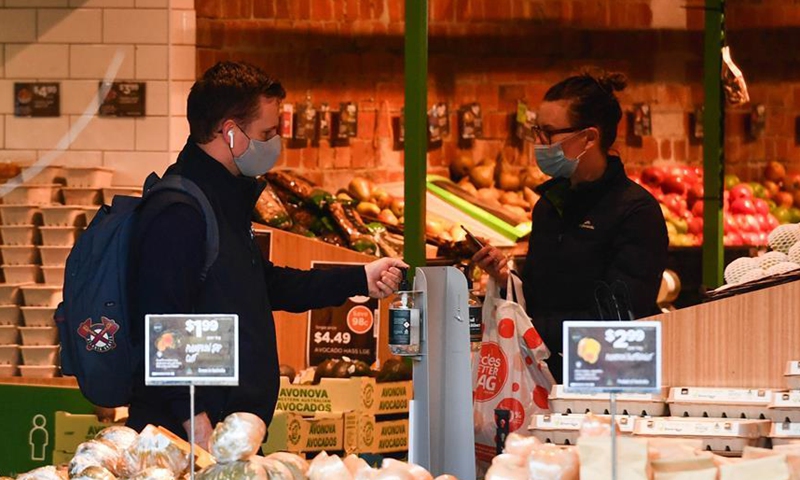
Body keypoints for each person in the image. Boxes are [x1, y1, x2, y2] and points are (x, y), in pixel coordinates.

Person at [126, 61, 407, 446]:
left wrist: (359, 279)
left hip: (226, 430)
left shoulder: (222, 199)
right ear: (230, 133)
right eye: (267, 133)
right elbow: (161, 324)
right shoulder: (179, 212)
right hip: (185, 439)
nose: (275, 143)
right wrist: (195, 422)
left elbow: (263, 284)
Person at [473, 72, 668, 382]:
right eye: (537, 130)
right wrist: (505, 278)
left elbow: (621, 317)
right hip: (543, 375)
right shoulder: (549, 205)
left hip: (609, 379)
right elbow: (540, 293)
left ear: (589, 138)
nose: (539, 143)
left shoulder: (635, 212)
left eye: (549, 133)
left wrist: (532, 329)